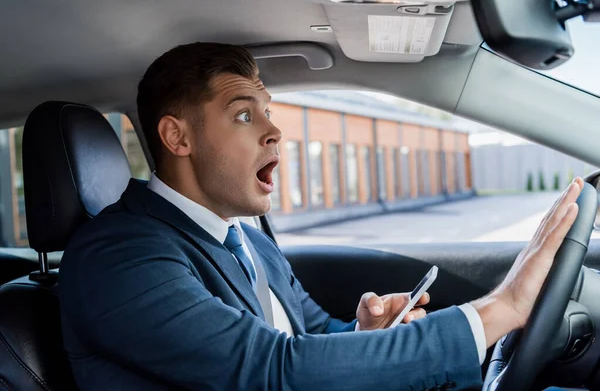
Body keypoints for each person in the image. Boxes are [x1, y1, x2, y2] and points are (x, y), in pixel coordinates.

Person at [59, 42, 582, 391]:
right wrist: (501, 309)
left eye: (268, 111)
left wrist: (362, 330)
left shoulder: (249, 241)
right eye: (244, 114)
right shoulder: (117, 257)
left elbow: (310, 336)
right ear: (178, 138)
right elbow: (271, 369)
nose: (273, 131)